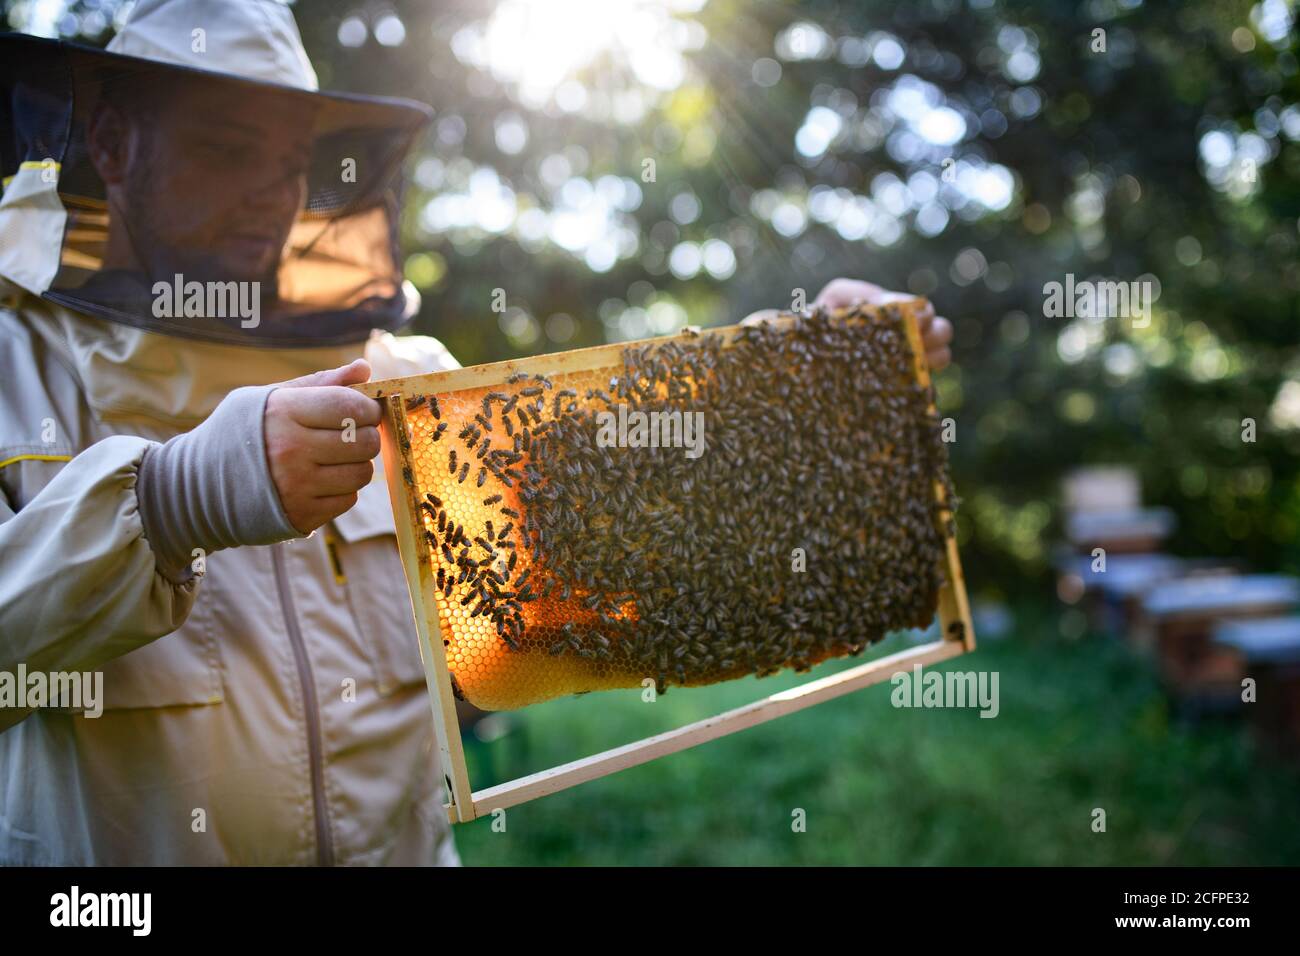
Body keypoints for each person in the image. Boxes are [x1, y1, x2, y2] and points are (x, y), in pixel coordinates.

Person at [0, 0, 952, 866]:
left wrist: (806, 379)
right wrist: (167, 504)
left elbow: (613, 534)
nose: (269, 196)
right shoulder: (15, 368)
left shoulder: (410, 382)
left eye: (289, 163)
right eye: (226, 148)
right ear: (116, 145)